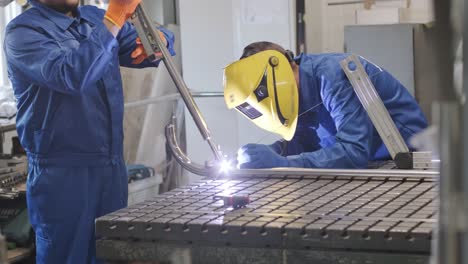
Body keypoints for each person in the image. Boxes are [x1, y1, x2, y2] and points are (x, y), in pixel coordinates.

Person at [4, 0, 175, 262]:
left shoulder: (94, 18)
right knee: (66, 256)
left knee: (111, 253)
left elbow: (146, 43)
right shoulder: (23, 32)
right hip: (62, 176)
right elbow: (71, 74)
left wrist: (158, 40)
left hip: (111, 168)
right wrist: (114, 19)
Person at [223, 41, 428, 169]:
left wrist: (283, 163)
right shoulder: (297, 90)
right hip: (371, 161)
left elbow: (353, 152)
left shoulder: (333, 76)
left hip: (406, 158)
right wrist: (274, 151)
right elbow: (306, 143)